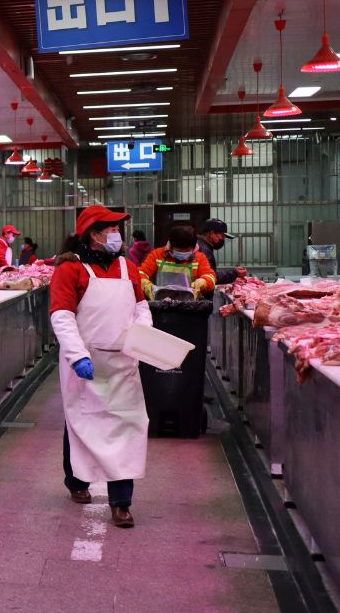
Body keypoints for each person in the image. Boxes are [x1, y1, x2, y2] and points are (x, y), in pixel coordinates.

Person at [49, 205, 152, 528]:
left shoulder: (127, 266)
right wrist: (77, 355)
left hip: (123, 362)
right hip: (86, 362)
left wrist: (144, 336)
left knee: (126, 427)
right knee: (82, 422)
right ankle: (77, 481)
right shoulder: (70, 269)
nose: (116, 235)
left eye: (118, 229)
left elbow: (140, 306)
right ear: (94, 234)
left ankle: (121, 502)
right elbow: (62, 316)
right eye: (111, 229)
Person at [138, 225, 217, 300]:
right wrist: (146, 285)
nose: (183, 253)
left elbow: (211, 276)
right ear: (171, 246)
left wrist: (203, 282)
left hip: (190, 306)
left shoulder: (200, 258)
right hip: (160, 304)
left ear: (193, 248)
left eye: (186, 251)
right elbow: (140, 273)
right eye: (179, 251)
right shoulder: (157, 255)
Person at [196, 219, 247, 285]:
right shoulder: (204, 250)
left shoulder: (200, 245)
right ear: (211, 233)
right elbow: (211, 277)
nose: (223, 239)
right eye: (222, 236)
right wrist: (234, 273)